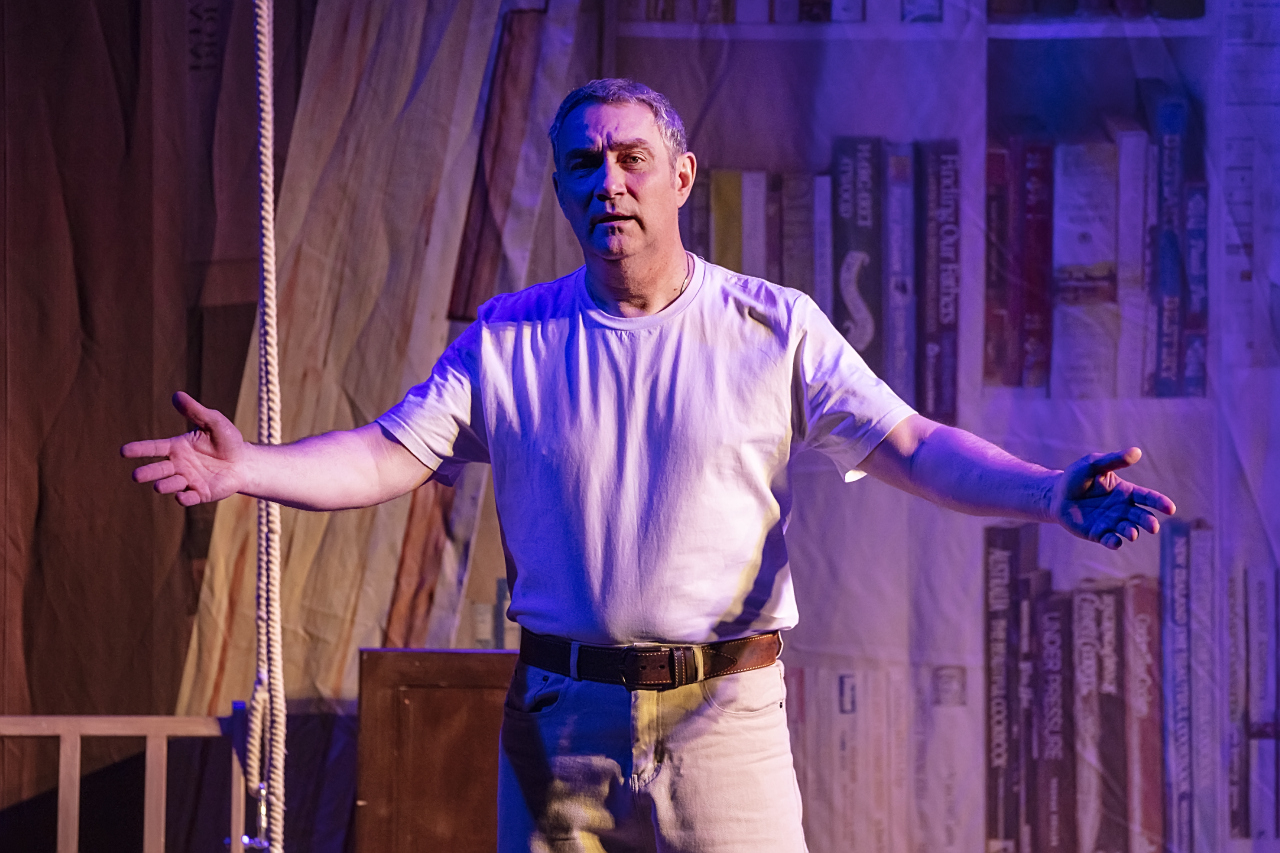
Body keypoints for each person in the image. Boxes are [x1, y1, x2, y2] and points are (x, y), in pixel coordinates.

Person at [125, 78, 1176, 852]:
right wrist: (249, 467)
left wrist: (1049, 493)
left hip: (723, 722)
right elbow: (383, 454)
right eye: (584, 165)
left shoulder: (772, 327)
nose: (609, 183)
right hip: (561, 725)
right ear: (560, 187)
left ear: (680, 177)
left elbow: (913, 444)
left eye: (631, 158)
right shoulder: (509, 337)